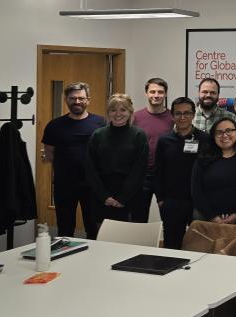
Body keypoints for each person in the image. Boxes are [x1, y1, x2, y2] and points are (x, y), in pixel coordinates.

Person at [42, 82, 104, 239]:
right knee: (65, 228)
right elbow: (49, 155)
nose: (77, 102)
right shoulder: (54, 126)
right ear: (66, 99)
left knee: (94, 227)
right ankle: (64, 261)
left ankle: (93, 262)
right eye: (73, 98)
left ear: (88, 100)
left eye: (81, 98)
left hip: (93, 185)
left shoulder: (101, 123)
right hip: (64, 185)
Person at [84, 94, 148, 226]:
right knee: (103, 240)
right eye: (113, 110)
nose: (118, 114)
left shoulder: (139, 135)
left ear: (130, 112)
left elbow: (139, 170)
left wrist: (122, 198)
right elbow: (90, 169)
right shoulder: (98, 135)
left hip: (130, 198)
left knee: (128, 241)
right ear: (108, 113)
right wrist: (104, 197)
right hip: (102, 198)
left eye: (123, 110)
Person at [154, 97, 208, 249]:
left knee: (199, 244)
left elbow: (209, 171)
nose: (182, 117)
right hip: (171, 202)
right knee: (172, 244)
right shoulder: (164, 140)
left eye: (186, 113)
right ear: (172, 115)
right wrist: (160, 199)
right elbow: (158, 171)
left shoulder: (204, 139)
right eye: (178, 113)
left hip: (198, 202)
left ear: (193, 114)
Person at [191, 118, 236, 225]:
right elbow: (196, 191)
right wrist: (213, 217)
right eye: (219, 132)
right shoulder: (203, 158)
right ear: (213, 136)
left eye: (229, 130)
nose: (224, 135)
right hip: (205, 219)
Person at [131, 77, 173, 223]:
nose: (156, 95)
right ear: (146, 93)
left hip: (166, 176)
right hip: (142, 176)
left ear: (166, 94)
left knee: (169, 220)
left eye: (160, 92)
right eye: (152, 91)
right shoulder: (135, 117)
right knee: (138, 219)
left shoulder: (173, 117)